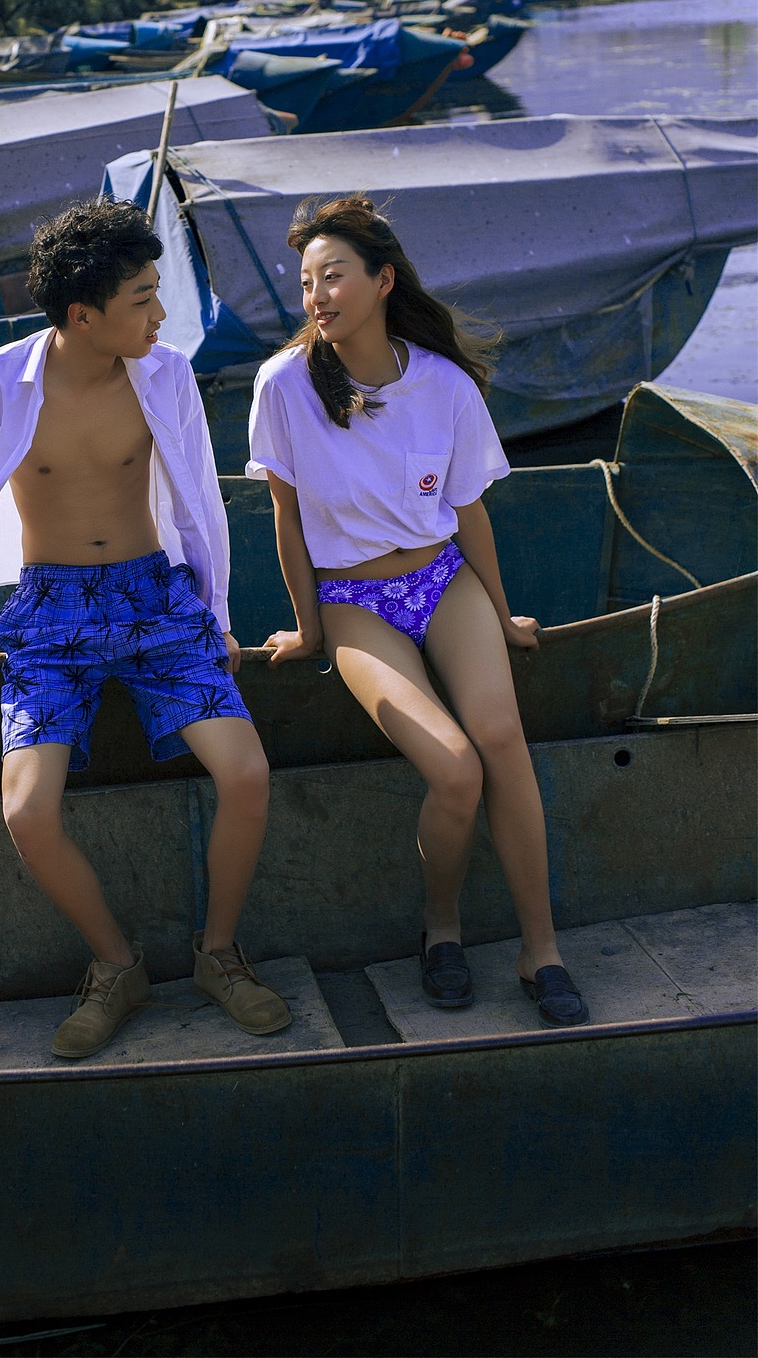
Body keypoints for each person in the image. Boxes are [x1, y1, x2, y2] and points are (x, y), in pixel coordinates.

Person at [0, 198, 290, 1058]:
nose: (161, 316)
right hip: (50, 615)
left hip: (156, 603)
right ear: (84, 314)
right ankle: (117, 966)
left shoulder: (165, 376)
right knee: (27, 811)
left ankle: (220, 954)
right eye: (144, 300)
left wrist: (216, 616)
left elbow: (200, 503)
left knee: (247, 774)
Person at [249, 193, 588, 1026]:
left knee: (501, 739)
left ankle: (541, 950)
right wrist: (309, 625)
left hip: (442, 580)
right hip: (355, 598)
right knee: (454, 767)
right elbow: (288, 521)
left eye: (333, 276)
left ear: (383, 280)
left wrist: (503, 615)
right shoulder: (285, 386)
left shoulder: (443, 386)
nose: (317, 295)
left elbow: (470, 514)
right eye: (305, 282)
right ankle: (443, 927)